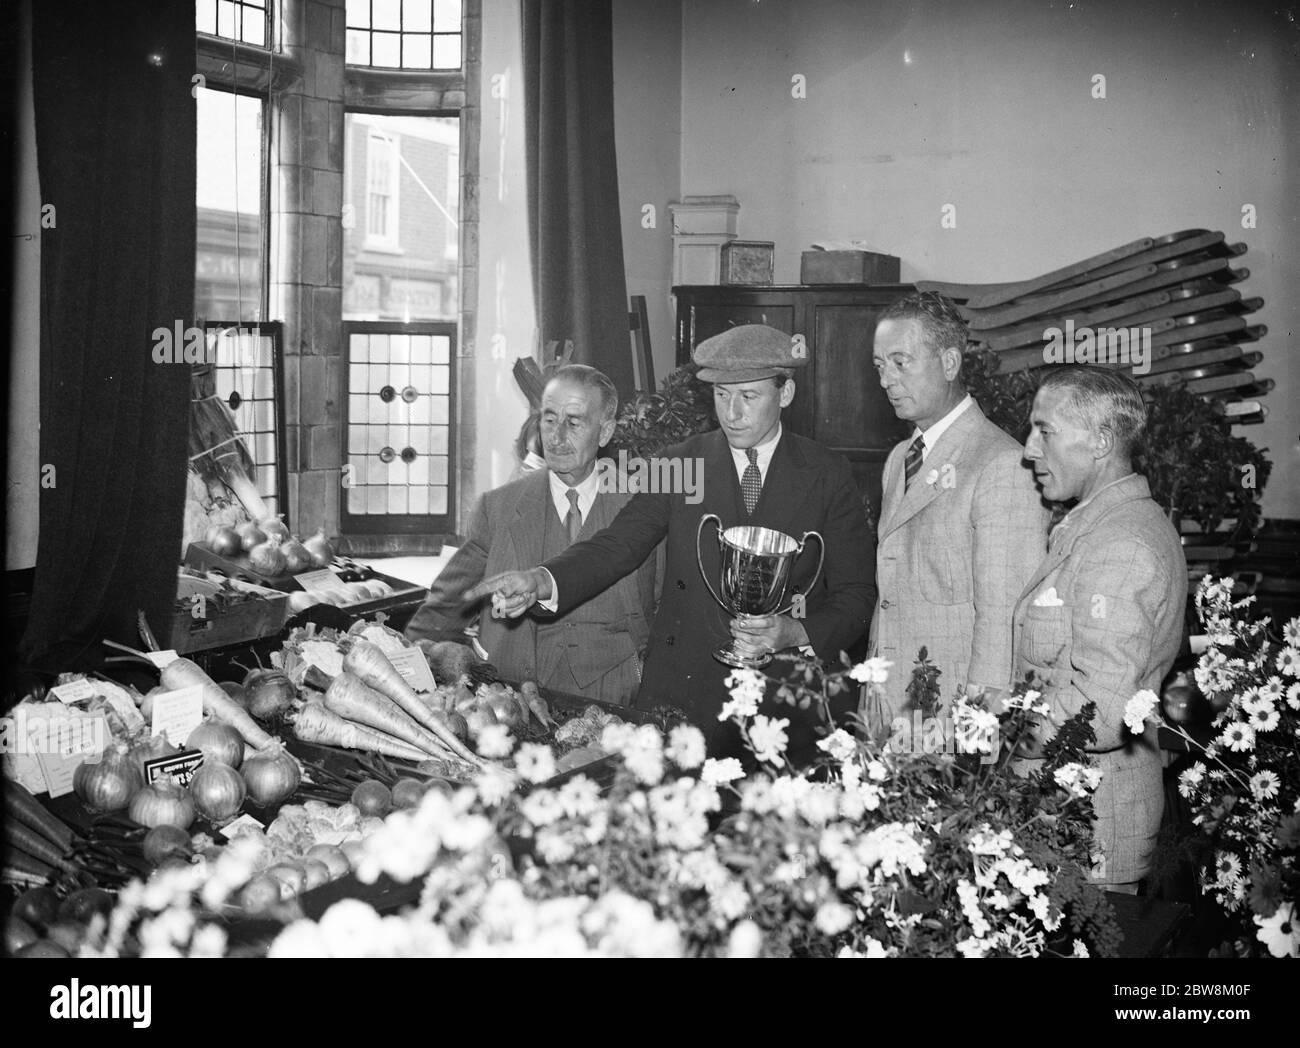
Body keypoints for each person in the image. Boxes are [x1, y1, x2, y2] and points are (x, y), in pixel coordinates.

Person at [466, 325, 876, 761]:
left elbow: (857, 595)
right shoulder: (682, 465)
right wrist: (542, 579)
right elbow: (617, 545)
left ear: (786, 392)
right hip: (686, 695)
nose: (732, 412)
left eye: (749, 397)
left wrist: (795, 631)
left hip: (787, 697)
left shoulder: (827, 474)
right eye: (721, 395)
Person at [1010, 365, 1186, 892]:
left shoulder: (1121, 544)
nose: (1029, 449)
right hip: (1067, 817)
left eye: (1045, 430)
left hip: (1089, 831)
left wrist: (997, 727)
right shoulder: (1101, 526)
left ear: (1102, 441)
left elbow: (1105, 711)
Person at [405, 365, 657, 704]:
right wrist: (407, 669)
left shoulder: (643, 508)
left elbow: (662, 609)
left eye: (574, 421)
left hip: (612, 701)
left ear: (606, 432)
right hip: (507, 700)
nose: (557, 436)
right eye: (549, 419)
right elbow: (449, 604)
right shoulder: (498, 507)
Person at [863, 291, 1049, 731]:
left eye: (900, 362)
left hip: (950, 714)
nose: (886, 379)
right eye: (879, 366)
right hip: (886, 707)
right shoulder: (899, 459)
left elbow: (1003, 615)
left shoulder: (1002, 463)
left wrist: (977, 727)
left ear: (949, 363)